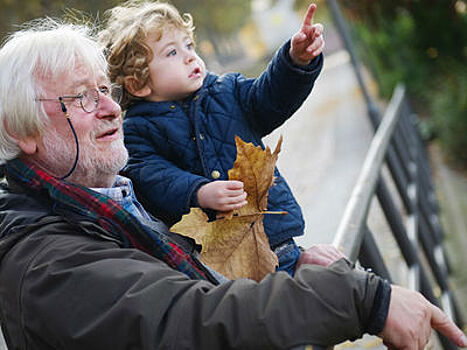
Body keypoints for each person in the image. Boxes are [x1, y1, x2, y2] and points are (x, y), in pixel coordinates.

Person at [0, 17, 466, 350]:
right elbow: (196, 319)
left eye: (104, 90)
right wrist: (365, 298)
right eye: (82, 96)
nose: (110, 108)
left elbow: (265, 97)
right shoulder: (46, 264)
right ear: (19, 129)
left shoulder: (107, 199)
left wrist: (295, 62)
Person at [99, 1, 326, 276]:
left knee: (315, 296)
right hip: (219, 265)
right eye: (172, 52)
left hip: (274, 241)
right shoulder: (137, 131)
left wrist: (294, 61)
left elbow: (269, 96)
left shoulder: (227, 91)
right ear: (139, 83)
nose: (190, 56)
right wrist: (197, 191)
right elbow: (151, 177)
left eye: (189, 46)